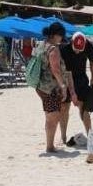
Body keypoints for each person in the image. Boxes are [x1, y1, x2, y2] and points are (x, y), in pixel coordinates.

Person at [34, 23, 77, 153]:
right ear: (55, 35)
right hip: (51, 87)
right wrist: (63, 86)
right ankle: (50, 146)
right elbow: (56, 70)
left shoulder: (41, 46)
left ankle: (50, 144)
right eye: (61, 36)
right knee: (53, 116)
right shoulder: (53, 49)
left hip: (41, 86)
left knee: (49, 115)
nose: (61, 39)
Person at [60, 32, 93, 145]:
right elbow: (67, 72)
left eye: (80, 50)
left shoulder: (88, 45)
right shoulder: (64, 48)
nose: (77, 51)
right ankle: (63, 137)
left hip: (81, 78)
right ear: (71, 42)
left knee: (83, 107)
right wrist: (71, 92)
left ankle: (90, 135)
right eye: (75, 49)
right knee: (65, 107)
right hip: (66, 78)